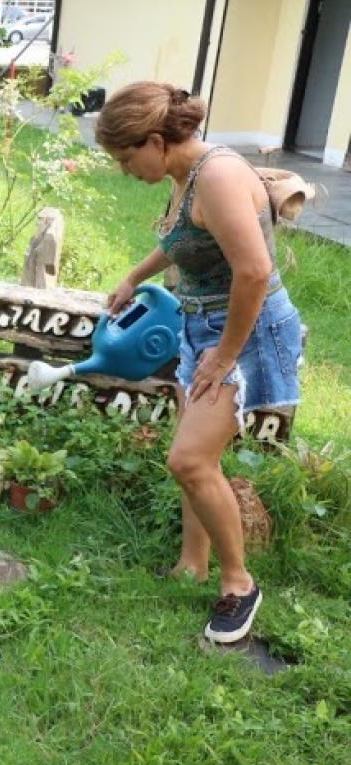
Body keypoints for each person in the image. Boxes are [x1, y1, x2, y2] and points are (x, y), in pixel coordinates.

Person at [97, 82, 303, 644]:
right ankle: (193, 564)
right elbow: (189, 238)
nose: (124, 170)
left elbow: (255, 272)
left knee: (188, 460)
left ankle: (240, 584)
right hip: (203, 328)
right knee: (195, 454)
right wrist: (134, 277)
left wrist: (226, 355)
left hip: (245, 333)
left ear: (157, 140)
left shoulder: (218, 175)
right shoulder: (187, 174)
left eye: (125, 158)